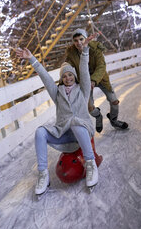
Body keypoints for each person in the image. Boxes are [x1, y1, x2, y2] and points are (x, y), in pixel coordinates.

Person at [16, 34, 98, 196]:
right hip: (65, 134)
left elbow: (84, 69)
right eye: (64, 76)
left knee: (75, 122)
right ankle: (43, 174)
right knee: (40, 131)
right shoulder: (57, 93)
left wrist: (85, 50)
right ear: (61, 79)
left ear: (74, 76)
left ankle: (91, 164)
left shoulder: (83, 90)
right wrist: (32, 59)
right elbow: (45, 77)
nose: (67, 78)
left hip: (82, 131)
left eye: (70, 75)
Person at [65, 28, 128, 133]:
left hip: (101, 78)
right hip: (84, 82)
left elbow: (101, 66)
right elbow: (67, 66)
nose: (79, 43)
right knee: (89, 107)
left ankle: (114, 120)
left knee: (114, 101)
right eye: (75, 40)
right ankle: (98, 117)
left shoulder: (95, 48)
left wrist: (93, 80)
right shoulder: (71, 53)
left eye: (81, 39)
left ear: (86, 38)